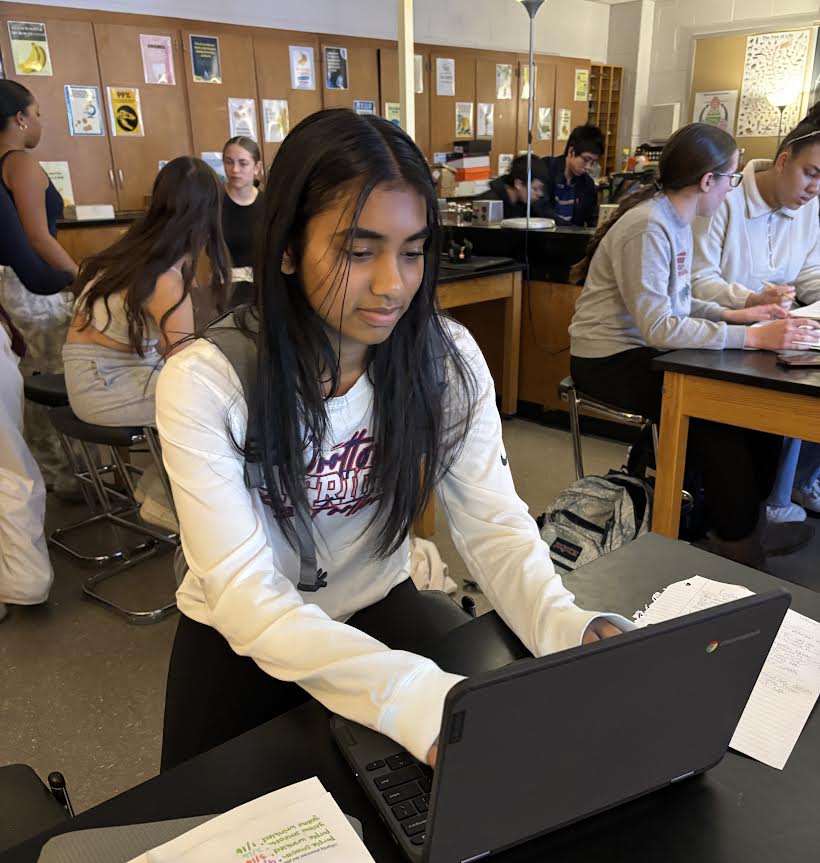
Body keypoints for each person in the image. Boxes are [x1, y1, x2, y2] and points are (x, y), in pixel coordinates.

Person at [156, 109, 630, 771]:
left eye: (412, 252)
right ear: (288, 246)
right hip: (236, 641)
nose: (393, 284)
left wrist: (562, 623)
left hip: (377, 603)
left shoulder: (445, 360)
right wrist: (411, 694)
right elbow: (245, 595)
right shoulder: (206, 383)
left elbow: (491, 521)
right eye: (358, 250)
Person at [569, 123, 820, 570]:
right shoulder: (649, 227)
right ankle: (736, 545)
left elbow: (681, 303)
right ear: (709, 181)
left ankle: (739, 529)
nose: (730, 191)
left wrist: (738, 314)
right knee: (716, 421)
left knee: (751, 416)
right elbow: (660, 327)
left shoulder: (677, 220)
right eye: (731, 179)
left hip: (643, 350)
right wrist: (751, 336)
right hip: (606, 359)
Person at [63, 157, 230, 531]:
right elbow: (185, 366)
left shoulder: (131, 250)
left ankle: (165, 493)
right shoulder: (165, 277)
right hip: (104, 385)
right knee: (211, 405)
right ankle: (170, 501)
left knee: (207, 396)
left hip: (95, 376)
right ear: (208, 214)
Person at [693, 105, 820, 523]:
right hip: (718, 339)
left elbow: (810, 275)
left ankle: (785, 491)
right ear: (784, 161)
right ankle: (755, 507)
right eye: (811, 173)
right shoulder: (724, 197)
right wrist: (751, 299)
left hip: (773, 338)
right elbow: (696, 281)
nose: (815, 189)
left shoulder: (808, 211)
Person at [0, 80, 80, 500]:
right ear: (20, 118)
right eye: (37, 113)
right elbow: (38, 237)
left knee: (27, 380)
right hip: (33, 287)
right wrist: (79, 275)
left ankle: (48, 472)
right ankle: (65, 475)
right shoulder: (21, 163)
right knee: (51, 378)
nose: (39, 121)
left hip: (9, 287)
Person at [0, 184, 74, 623]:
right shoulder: (19, 166)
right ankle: (23, 581)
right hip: (28, 299)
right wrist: (83, 276)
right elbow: (33, 259)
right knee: (9, 464)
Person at [222, 136, 264, 308]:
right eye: (229, 162)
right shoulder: (213, 203)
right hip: (225, 291)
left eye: (243, 163)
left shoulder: (268, 204)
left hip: (262, 290)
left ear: (257, 167)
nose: (235, 169)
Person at [538, 124, 603, 227]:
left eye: (593, 162)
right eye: (586, 160)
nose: (588, 167)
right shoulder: (545, 169)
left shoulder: (587, 184)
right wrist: (571, 229)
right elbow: (541, 210)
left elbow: (592, 219)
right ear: (571, 151)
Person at [484, 154, 549, 219]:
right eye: (535, 189)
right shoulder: (488, 203)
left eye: (541, 189)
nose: (540, 194)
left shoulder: (526, 204)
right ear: (518, 184)